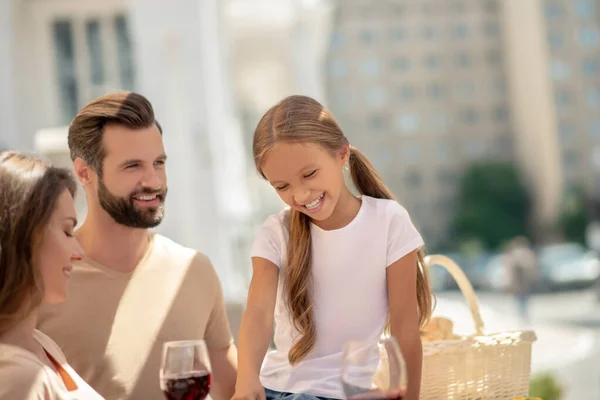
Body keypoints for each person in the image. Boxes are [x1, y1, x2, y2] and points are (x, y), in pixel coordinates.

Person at [37, 92, 237, 400]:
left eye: (158, 162)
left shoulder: (193, 271)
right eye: (133, 166)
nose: (153, 181)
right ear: (84, 173)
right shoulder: (43, 280)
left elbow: (236, 390)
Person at [233, 95, 433, 400]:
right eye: (282, 187)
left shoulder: (389, 221)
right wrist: (247, 382)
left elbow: (405, 326)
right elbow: (257, 314)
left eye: (309, 174)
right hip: (276, 389)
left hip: (346, 393)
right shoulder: (276, 233)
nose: (300, 194)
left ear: (342, 154)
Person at [0, 151, 103, 399]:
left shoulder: (40, 344)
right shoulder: (17, 376)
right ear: (25, 237)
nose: (78, 253)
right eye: (67, 231)